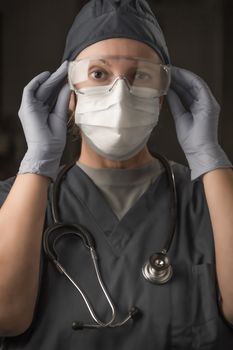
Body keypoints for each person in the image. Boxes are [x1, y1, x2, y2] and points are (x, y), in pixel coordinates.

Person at [0, 0, 233, 349]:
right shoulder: (14, 200)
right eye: (99, 74)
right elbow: (5, 314)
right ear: (71, 95)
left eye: (140, 75)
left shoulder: (210, 199)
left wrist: (210, 159)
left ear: (159, 97)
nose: (120, 94)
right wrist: (37, 162)